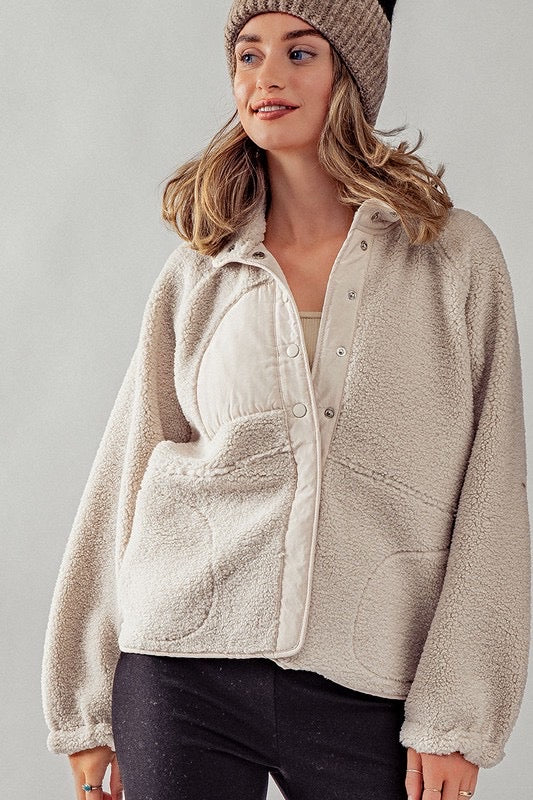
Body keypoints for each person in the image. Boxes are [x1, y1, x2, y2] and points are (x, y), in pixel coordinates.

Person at [41, 1, 531, 799]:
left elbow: (493, 494)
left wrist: (458, 714)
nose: (266, 77)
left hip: (370, 676)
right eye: (248, 54)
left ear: (350, 76)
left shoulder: (451, 259)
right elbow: (127, 467)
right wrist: (87, 705)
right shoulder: (201, 269)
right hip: (180, 667)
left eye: (299, 54)